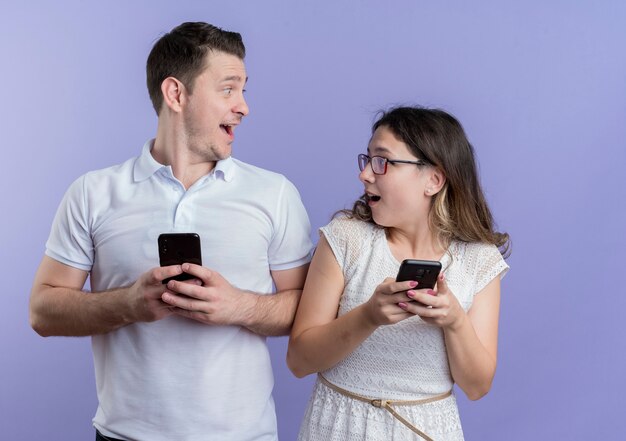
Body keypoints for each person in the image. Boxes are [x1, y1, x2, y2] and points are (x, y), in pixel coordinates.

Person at [29, 22, 313, 441]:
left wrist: (238, 307)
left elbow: (309, 310)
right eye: (228, 89)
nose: (243, 107)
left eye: (244, 90)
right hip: (123, 436)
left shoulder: (274, 194)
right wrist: (128, 303)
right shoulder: (93, 193)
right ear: (176, 94)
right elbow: (42, 312)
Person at [287, 106, 510, 441]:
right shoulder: (346, 238)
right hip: (336, 426)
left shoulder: (479, 260)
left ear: (433, 180)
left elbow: (477, 386)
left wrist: (455, 322)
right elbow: (299, 361)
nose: (365, 175)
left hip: (425, 431)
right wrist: (368, 316)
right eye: (368, 160)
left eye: (383, 161)